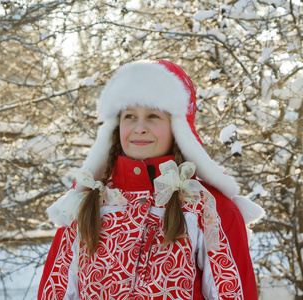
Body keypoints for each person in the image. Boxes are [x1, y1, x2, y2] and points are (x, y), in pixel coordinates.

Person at [38, 60, 264, 299]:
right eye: (130, 116)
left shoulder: (209, 210)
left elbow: (233, 293)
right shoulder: (86, 205)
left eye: (153, 115)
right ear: (116, 126)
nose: (140, 127)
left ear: (177, 127)